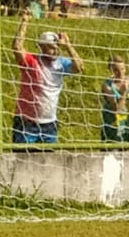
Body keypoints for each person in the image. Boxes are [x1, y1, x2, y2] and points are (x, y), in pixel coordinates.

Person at [13, 11, 83, 144]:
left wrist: (68, 46)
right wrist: (25, 21)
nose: (55, 51)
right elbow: (17, 48)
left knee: (51, 161)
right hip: (27, 122)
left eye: (57, 47)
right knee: (22, 159)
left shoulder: (61, 63)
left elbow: (79, 67)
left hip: (49, 123)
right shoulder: (32, 61)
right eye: (51, 48)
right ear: (41, 47)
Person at [100, 55, 129, 143]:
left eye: (122, 69)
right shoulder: (107, 86)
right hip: (112, 123)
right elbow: (117, 110)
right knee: (112, 152)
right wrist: (124, 92)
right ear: (111, 70)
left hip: (127, 123)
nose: (120, 73)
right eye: (116, 70)